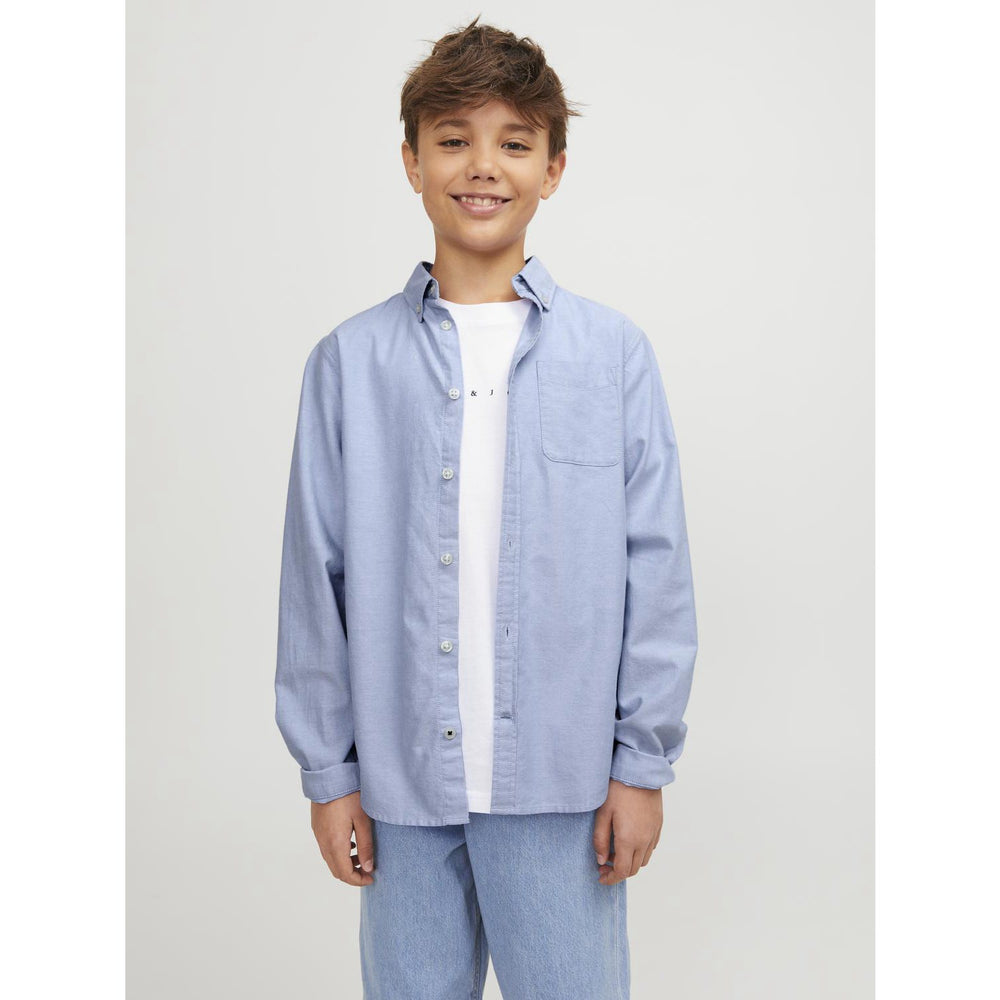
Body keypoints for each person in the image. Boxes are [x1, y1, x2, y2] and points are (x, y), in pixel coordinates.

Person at [274, 16, 698, 999]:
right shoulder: (348, 365)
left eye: (514, 142)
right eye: (453, 139)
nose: (482, 167)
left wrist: (641, 766)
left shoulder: (612, 356)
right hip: (400, 792)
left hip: (562, 786)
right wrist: (330, 775)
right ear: (412, 161)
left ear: (553, 169)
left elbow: (657, 571)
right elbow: (313, 582)